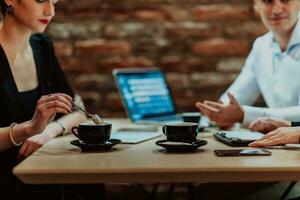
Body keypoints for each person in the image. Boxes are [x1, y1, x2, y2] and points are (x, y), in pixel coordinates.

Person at [0, 0, 104, 199]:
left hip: (41, 170)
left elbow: (77, 109)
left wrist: (49, 130)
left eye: (54, 1)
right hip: (7, 180)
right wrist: (29, 129)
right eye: (40, 0)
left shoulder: (42, 45)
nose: (50, 11)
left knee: (91, 186)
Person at [196, 0, 300, 130]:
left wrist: (244, 115)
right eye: (268, 1)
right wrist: (220, 113)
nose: (277, 10)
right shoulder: (261, 46)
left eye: (285, 0)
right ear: (256, 5)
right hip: (279, 143)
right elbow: (237, 96)